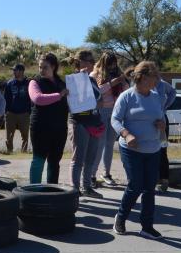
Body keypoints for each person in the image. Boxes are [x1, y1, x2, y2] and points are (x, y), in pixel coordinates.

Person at [112, 61, 166, 240]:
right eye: (153, 78)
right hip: (131, 148)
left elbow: (160, 118)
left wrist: (161, 125)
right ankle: (120, 218)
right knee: (135, 185)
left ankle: (147, 226)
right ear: (142, 78)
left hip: (153, 148)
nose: (156, 82)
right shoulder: (126, 96)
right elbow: (115, 120)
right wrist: (126, 134)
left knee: (149, 188)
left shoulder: (156, 96)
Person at [28, 53, 69, 184]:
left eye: (45, 67)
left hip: (59, 129)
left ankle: (52, 192)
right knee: (38, 160)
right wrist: (59, 95)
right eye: (40, 67)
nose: (41, 70)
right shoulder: (34, 82)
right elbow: (37, 99)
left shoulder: (62, 84)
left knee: (54, 161)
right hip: (40, 128)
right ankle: (34, 192)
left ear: (53, 67)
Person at [68, 50, 104, 199]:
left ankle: (87, 186)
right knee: (78, 158)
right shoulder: (73, 79)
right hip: (80, 123)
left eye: (92, 61)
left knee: (91, 157)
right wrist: (81, 78)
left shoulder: (92, 79)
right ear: (80, 62)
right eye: (88, 61)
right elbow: (77, 103)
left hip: (94, 122)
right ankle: (74, 189)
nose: (91, 64)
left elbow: (99, 101)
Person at [90, 53, 127, 187]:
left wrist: (122, 81)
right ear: (104, 63)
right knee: (99, 144)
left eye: (114, 63)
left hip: (115, 112)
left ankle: (106, 173)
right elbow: (95, 91)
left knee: (110, 144)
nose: (113, 66)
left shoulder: (118, 73)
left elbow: (126, 91)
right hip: (100, 111)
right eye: (110, 63)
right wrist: (112, 83)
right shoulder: (94, 74)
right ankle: (92, 175)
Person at [154, 78, 177, 192]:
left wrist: (166, 106)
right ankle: (152, 179)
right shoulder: (140, 83)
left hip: (162, 120)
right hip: (147, 121)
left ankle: (163, 180)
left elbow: (173, 92)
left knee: (162, 150)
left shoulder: (162, 83)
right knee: (149, 150)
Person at [4, 63, 31, 154]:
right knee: (9, 135)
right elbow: (6, 99)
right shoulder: (9, 83)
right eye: (13, 70)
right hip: (11, 113)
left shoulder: (29, 83)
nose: (14, 72)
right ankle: (9, 151)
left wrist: (29, 111)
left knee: (25, 135)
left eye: (15, 70)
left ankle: (24, 152)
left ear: (21, 71)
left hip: (24, 113)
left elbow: (31, 98)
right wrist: (6, 112)